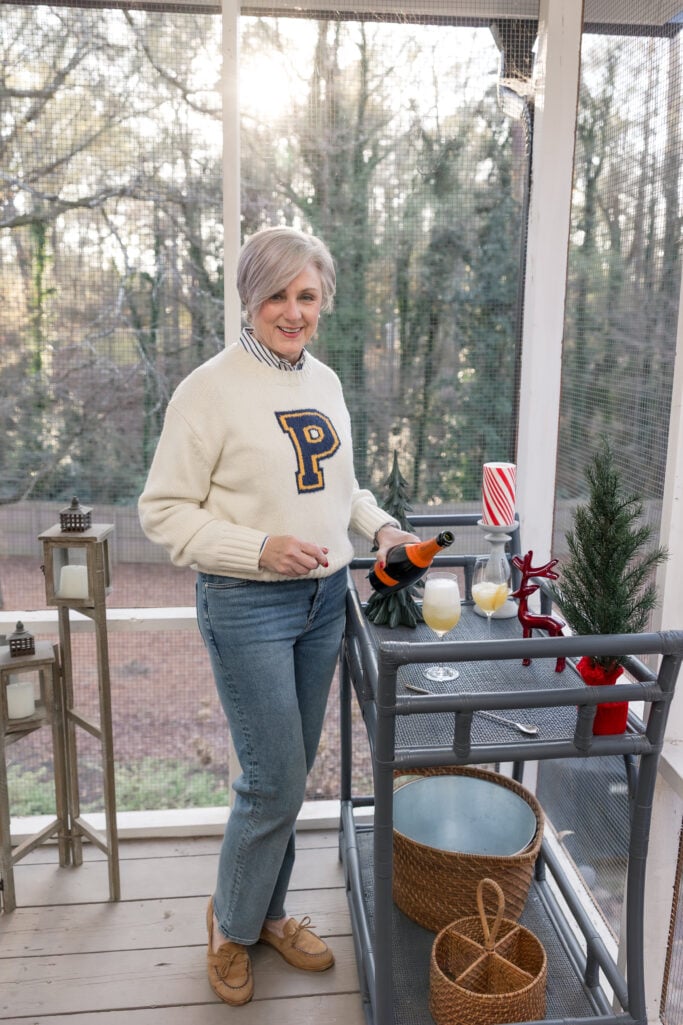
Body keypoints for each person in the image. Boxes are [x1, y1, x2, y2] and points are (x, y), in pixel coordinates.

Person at [138, 226, 419, 1005]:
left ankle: (265, 912)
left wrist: (382, 527)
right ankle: (230, 924)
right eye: (276, 296)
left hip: (324, 602)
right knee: (272, 783)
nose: (292, 312)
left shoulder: (324, 381)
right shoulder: (207, 390)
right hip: (246, 606)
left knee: (288, 776)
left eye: (306, 295)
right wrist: (258, 549)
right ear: (249, 299)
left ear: (321, 300)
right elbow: (162, 512)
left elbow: (342, 490)